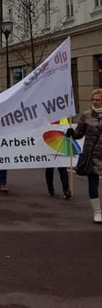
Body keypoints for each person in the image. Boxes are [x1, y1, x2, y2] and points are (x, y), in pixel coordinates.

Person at [66, 88, 102, 222]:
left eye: (98, 99)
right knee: (93, 183)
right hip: (91, 155)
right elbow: (79, 133)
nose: (95, 102)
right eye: (93, 99)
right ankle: (97, 212)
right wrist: (72, 133)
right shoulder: (86, 115)